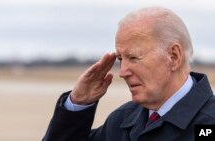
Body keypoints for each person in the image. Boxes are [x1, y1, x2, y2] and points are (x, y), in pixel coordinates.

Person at [42, 6, 215, 141]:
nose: (122, 72)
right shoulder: (123, 119)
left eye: (133, 57)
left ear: (173, 56)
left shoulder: (207, 126)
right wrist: (77, 105)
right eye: (120, 59)